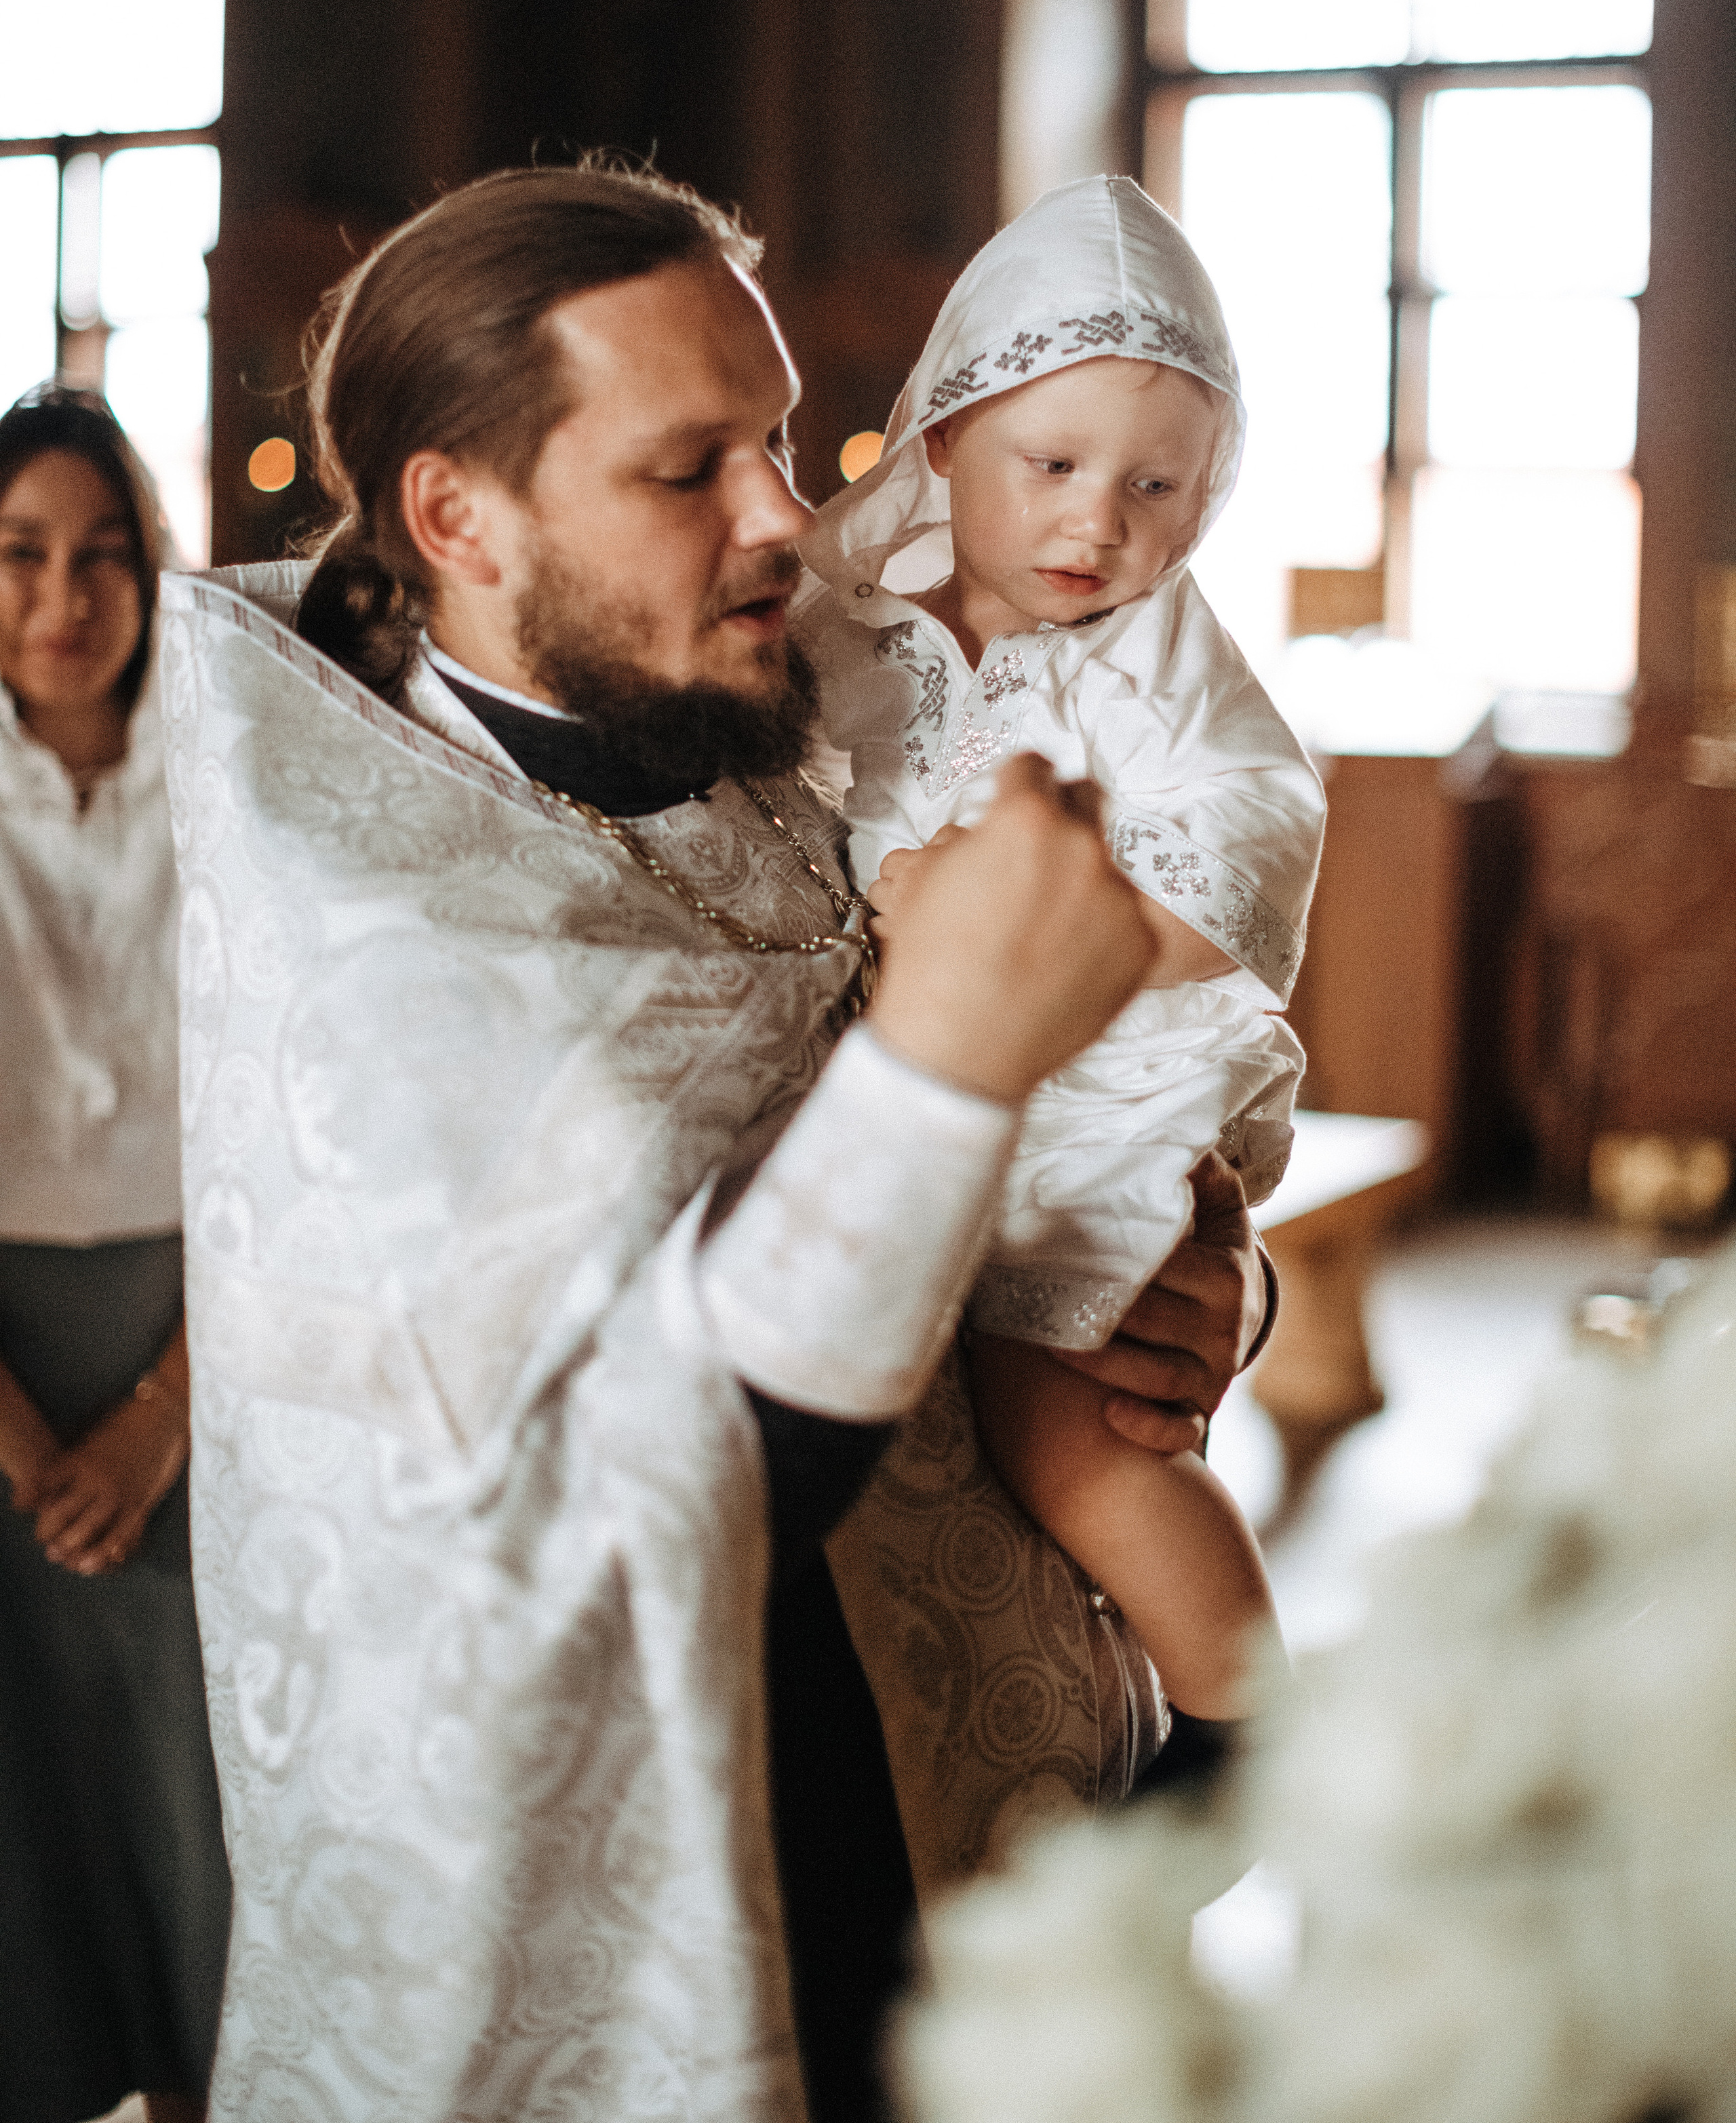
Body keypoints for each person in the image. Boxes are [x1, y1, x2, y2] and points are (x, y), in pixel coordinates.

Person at [161, 162, 1271, 2123]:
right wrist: (950, 1063)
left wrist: (1200, 1281)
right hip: (670, 1875)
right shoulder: (363, 931)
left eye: (772, 438)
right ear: (458, 516)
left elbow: (1063, 1102)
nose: (790, 513)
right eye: (694, 468)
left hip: (990, 1772)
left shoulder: (750, 713)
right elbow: (650, 1470)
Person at [797, 176, 1324, 1867]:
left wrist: (1021, 920)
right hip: (886, 1153)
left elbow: (1249, 824)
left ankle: (1243, 1710)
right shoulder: (823, 622)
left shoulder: (1156, 655)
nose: (1101, 523)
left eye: (1157, 484)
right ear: (939, 440)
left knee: (1069, 1413)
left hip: (1096, 1073)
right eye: (1054, 466)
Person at [0, 385, 231, 2123]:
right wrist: (19, 1440)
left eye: (102, 558)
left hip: (205, 1322)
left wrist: (162, 1409)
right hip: (4, 1347)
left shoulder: (229, 793)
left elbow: (305, 1137)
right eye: (14, 557)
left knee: (194, 1777)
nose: (61, 602)